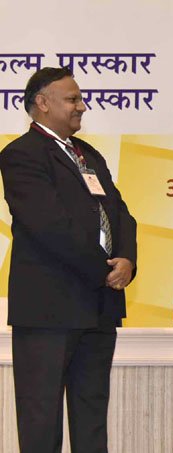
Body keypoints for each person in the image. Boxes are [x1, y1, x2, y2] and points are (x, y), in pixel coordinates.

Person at [0, 67, 137, 452]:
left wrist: (126, 259)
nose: (82, 106)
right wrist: (103, 270)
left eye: (80, 98)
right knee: (41, 419)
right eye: (72, 99)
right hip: (49, 308)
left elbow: (120, 212)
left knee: (92, 415)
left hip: (97, 305)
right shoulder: (21, 155)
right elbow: (48, 226)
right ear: (42, 104)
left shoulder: (87, 153)